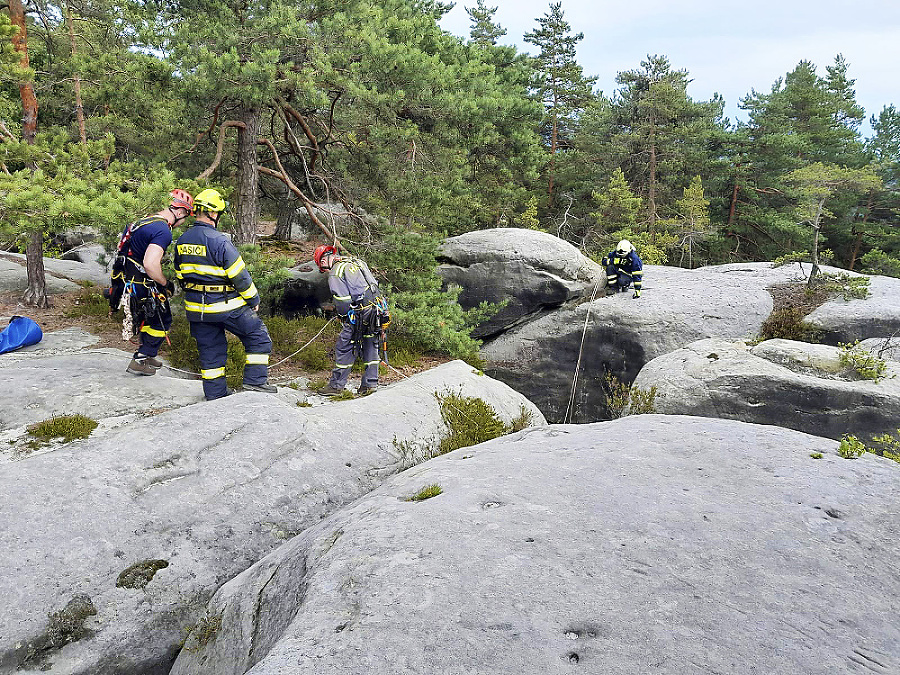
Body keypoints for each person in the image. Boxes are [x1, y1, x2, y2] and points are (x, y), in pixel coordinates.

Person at [173, 188, 276, 400]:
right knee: (258, 337)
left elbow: (179, 274)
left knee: (211, 351)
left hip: (196, 309)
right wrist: (253, 299)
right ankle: (255, 383)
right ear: (213, 213)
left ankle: (215, 395)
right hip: (226, 306)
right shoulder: (219, 241)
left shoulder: (182, 241)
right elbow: (240, 276)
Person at [115, 189, 194, 375]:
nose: (182, 223)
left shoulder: (144, 221)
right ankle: (141, 359)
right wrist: (165, 283)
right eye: (184, 218)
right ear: (180, 212)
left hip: (131, 280)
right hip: (144, 283)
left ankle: (146, 355)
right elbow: (150, 264)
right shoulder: (163, 230)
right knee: (163, 320)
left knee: (149, 318)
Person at [313, 244, 388, 396]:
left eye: (323, 269)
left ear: (323, 262)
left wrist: (342, 316)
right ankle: (370, 384)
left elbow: (342, 300)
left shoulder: (336, 271)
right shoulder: (358, 262)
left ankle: (336, 386)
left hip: (359, 314)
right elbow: (374, 285)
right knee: (371, 344)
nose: (325, 272)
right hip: (376, 309)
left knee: (345, 346)